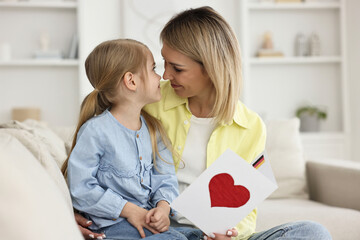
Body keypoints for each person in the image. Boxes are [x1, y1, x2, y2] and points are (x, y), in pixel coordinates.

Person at [74, 7, 332, 240]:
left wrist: (230, 233)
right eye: (162, 65)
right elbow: (90, 163)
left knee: (313, 233)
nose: (165, 75)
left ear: (210, 68)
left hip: (211, 235)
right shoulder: (148, 100)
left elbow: (245, 207)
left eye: (177, 68)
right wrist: (76, 213)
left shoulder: (250, 126)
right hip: (163, 231)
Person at [62, 39, 203, 240]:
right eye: (153, 69)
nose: (160, 76)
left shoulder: (154, 130)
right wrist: (129, 210)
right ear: (131, 81)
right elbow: (81, 188)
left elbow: (165, 178)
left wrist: (163, 209)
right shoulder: (95, 131)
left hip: (146, 223)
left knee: (198, 236)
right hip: (112, 226)